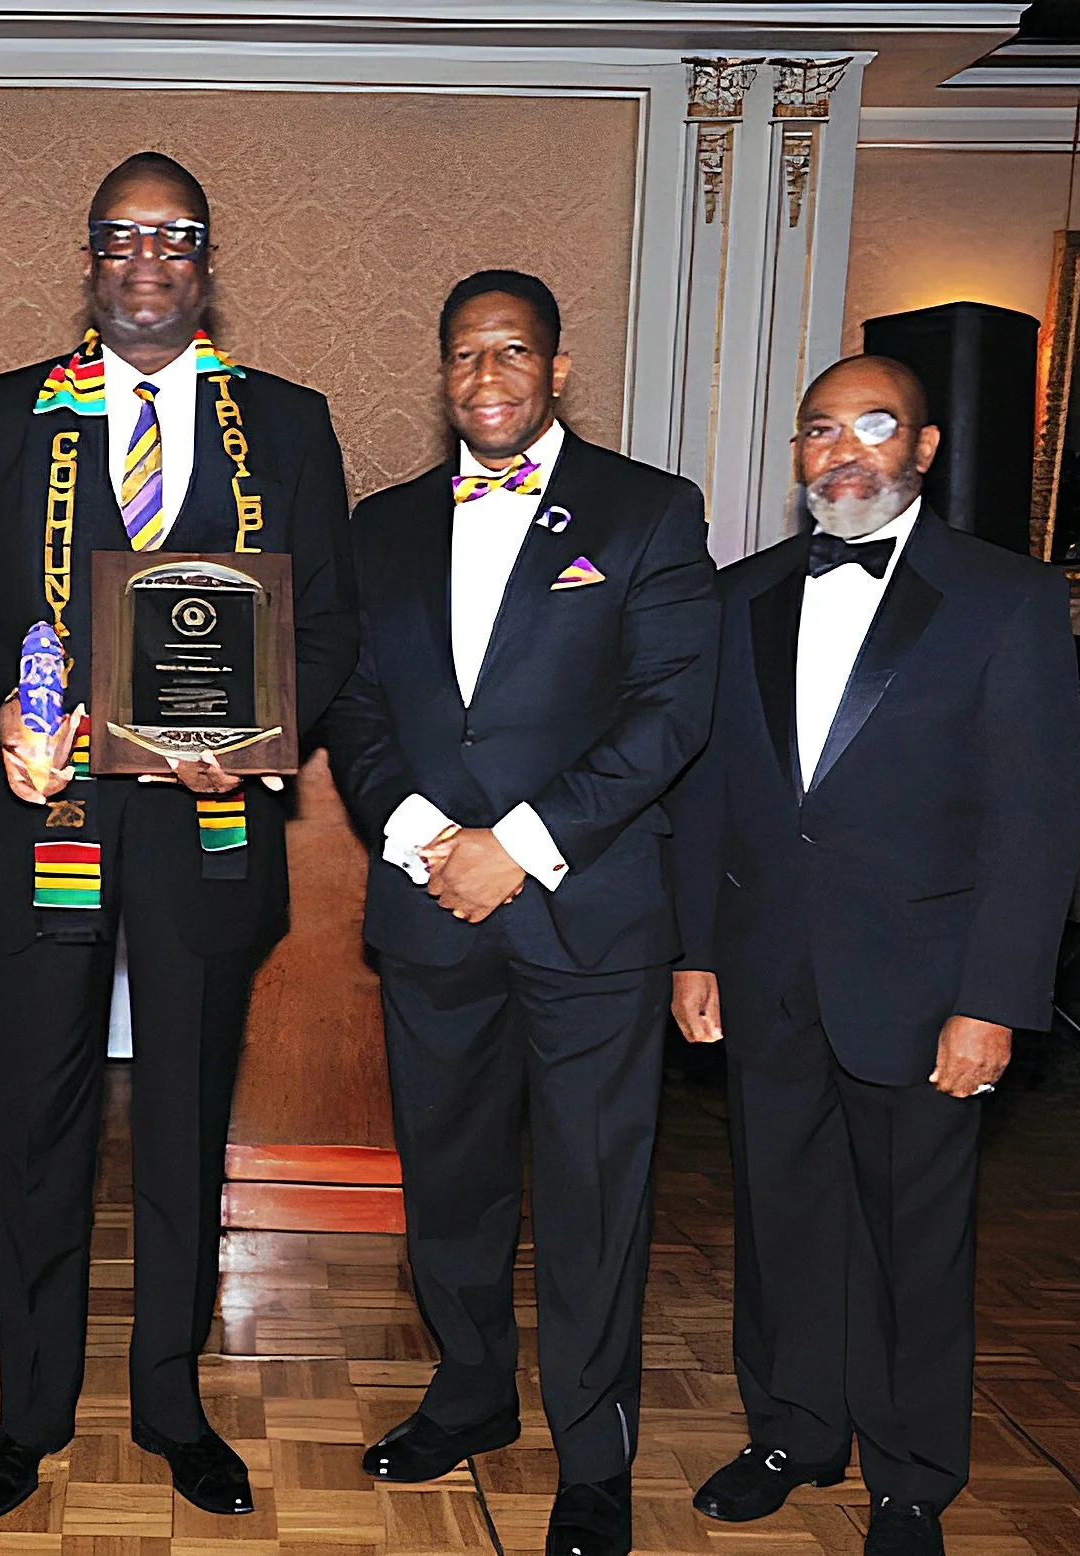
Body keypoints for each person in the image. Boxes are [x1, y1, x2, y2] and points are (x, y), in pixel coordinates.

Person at [0, 152, 358, 1521]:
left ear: (207, 261)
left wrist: (262, 729)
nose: (148, 259)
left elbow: (330, 620)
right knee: (40, 1116)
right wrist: (1, 699)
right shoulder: (3, 412)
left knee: (183, 1120)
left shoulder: (285, 421)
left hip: (206, 823)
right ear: (89, 259)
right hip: (51, 813)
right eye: (122, 236)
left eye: (175, 236)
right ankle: (32, 1410)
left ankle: (174, 1404)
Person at [320, 270, 717, 1556]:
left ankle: (594, 1454)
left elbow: (671, 710)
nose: (485, 376)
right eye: (463, 354)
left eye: (511, 351)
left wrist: (520, 848)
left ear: (557, 367)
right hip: (430, 903)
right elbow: (356, 707)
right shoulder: (382, 525)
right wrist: (428, 839)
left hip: (587, 914)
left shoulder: (650, 510)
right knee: (451, 1178)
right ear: (441, 373)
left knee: (595, 1193)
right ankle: (471, 1389)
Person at [669, 356, 1080, 1556]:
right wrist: (694, 950)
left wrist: (993, 998)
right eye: (819, 429)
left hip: (925, 986)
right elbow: (709, 792)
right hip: (766, 969)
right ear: (797, 452)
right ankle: (791, 1430)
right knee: (780, 1218)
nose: (843, 451)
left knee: (915, 1240)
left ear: (925, 447)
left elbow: (1035, 821)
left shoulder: (1007, 597)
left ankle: (911, 1475)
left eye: (874, 424)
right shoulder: (739, 594)